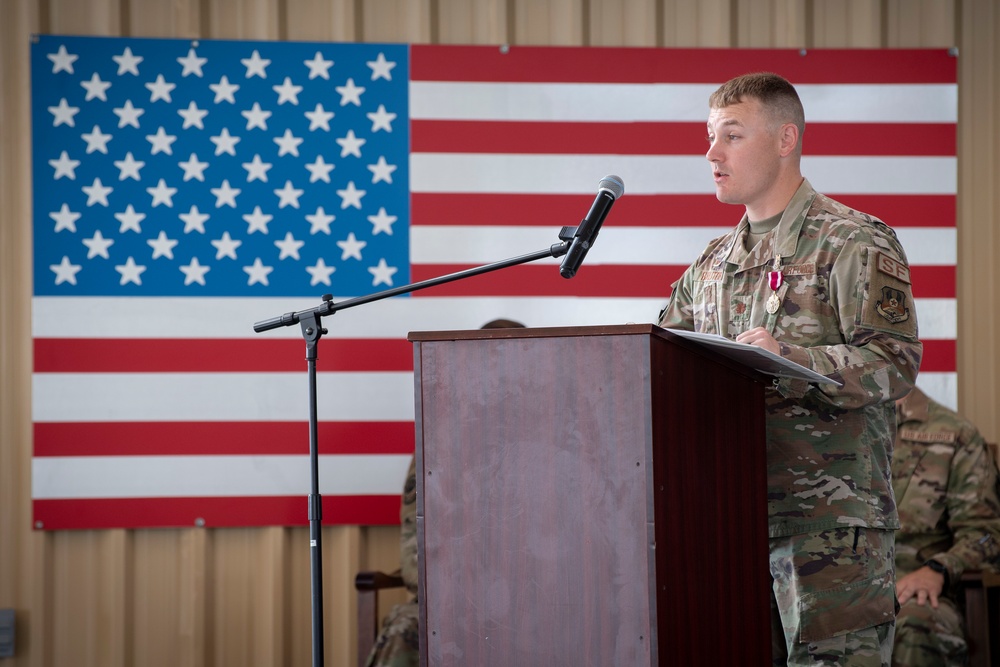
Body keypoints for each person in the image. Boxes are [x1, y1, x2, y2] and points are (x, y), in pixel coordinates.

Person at [657, 72, 923, 666]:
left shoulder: (853, 241)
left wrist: (792, 360)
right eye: (709, 136)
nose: (711, 154)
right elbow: (661, 361)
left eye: (731, 135)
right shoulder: (710, 266)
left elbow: (895, 364)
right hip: (725, 523)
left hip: (830, 532)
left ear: (785, 139)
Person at [364, 318, 525, 667]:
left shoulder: (559, 436)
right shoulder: (438, 441)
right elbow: (414, 539)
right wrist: (449, 592)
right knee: (405, 629)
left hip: (539, 596)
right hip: (454, 596)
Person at [892, 386, 1000, 667]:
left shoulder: (954, 434)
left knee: (914, 624)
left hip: (914, 588)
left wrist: (939, 568)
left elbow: (985, 534)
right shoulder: (829, 426)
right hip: (835, 586)